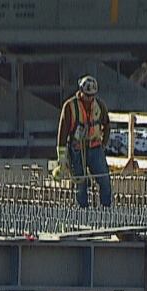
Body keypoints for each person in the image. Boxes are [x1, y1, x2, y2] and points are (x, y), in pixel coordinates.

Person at [54, 75, 112, 208]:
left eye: (92, 96)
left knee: (104, 180)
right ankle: (83, 212)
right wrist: (62, 158)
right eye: (87, 95)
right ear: (81, 92)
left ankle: (106, 209)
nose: (89, 99)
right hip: (76, 150)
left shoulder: (99, 106)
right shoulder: (70, 107)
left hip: (95, 148)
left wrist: (103, 144)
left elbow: (107, 125)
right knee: (80, 183)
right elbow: (62, 134)